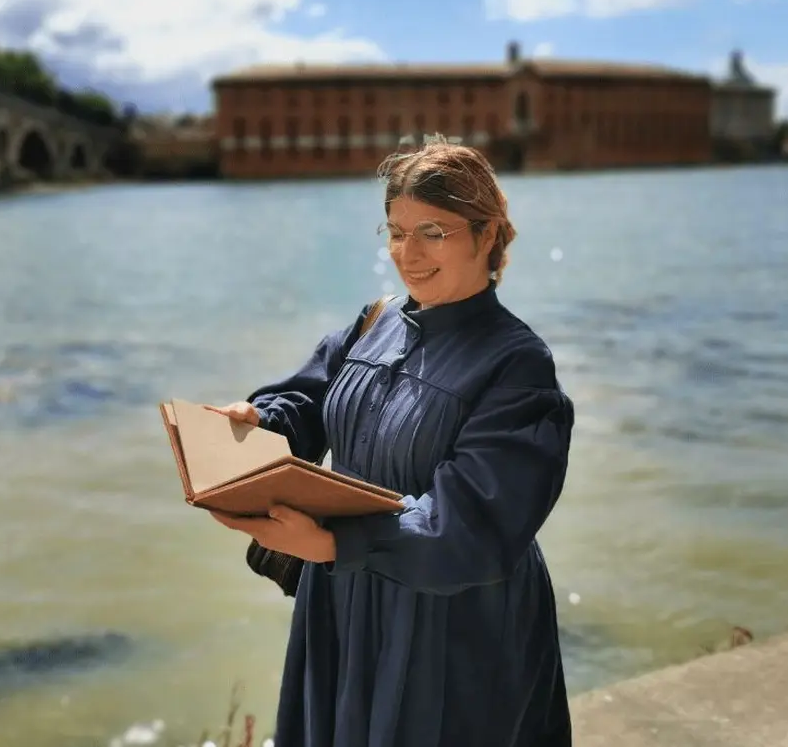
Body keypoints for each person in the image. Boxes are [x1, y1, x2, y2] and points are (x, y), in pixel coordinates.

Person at [207, 136, 575, 747]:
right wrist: (258, 425)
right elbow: (306, 402)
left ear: (487, 236)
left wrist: (334, 542)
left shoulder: (518, 364)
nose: (409, 252)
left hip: (454, 618)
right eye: (397, 231)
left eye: (435, 231)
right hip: (345, 596)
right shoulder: (374, 322)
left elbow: (474, 529)